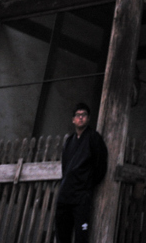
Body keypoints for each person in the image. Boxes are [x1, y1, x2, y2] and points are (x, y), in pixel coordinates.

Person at [55, 102, 108, 243]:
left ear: (88, 118)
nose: (80, 118)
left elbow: (100, 166)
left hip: (82, 195)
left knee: (81, 233)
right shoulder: (69, 141)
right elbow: (65, 168)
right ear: (73, 119)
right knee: (62, 232)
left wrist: (87, 183)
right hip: (66, 194)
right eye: (78, 115)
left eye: (83, 115)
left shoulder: (94, 138)